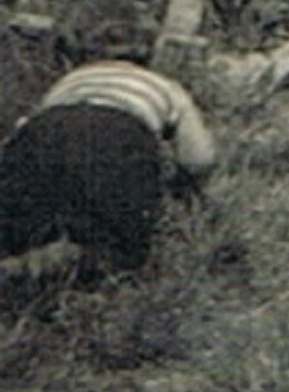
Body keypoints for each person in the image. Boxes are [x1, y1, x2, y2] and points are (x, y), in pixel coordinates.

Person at [0, 60, 218, 279]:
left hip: (47, 129)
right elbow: (199, 159)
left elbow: (27, 127)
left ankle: (19, 258)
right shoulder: (166, 87)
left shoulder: (73, 78)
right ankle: (54, 266)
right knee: (122, 253)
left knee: (16, 225)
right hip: (119, 135)